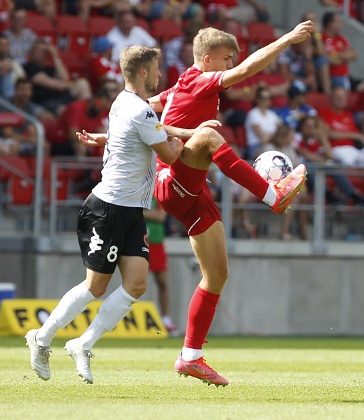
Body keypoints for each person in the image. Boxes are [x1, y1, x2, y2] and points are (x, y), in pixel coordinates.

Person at [25, 45, 215, 384]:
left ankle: (83, 343)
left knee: (137, 284)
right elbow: (170, 156)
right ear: (143, 72)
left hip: (131, 211)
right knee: (95, 286)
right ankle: (41, 338)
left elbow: (137, 138)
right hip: (107, 208)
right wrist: (201, 138)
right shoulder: (140, 112)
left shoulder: (124, 104)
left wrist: (183, 134)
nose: (159, 75)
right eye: (156, 69)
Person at [147, 21, 313, 387]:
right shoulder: (199, 79)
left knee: (217, 275)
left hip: (191, 191)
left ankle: (190, 356)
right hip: (173, 180)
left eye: (231, 59)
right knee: (208, 135)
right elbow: (247, 70)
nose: (229, 66)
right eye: (225, 59)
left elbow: (148, 110)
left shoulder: (180, 86)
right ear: (207, 60)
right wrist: (285, 39)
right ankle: (272, 194)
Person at [143, 197, 179, 335]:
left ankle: (166, 320)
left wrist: (139, 212)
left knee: (162, 282)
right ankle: (132, 318)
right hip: (137, 240)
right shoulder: (137, 187)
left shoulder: (158, 192)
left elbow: (160, 216)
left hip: (156, 241)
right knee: (135, 282)